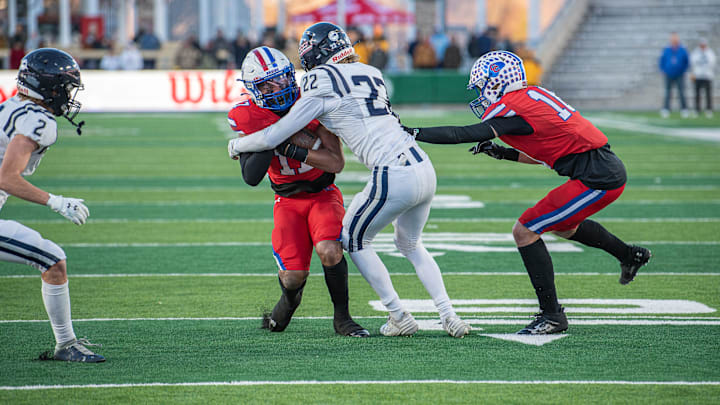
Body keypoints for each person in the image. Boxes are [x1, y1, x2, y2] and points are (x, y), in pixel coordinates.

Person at [228, 22, 471, 338]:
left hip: (391, 171)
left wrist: (236, 145)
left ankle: (398, 314)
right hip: (422, 165)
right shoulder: (371, 72)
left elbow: (277, 134)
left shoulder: (318, 81)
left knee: (353, 240)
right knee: (410, 244)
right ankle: (449, 315)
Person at [402, 51, 652, 335]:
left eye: (483, 85)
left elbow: (465, 133)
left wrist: (412, 132)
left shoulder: (514, 107)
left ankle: (552, 315)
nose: (481, 93)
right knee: (564, 227)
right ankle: (629, 254)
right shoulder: (532, 96)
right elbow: (548, 153)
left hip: (598, 177)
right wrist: (503, 153)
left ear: (497, 82)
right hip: (597, 168)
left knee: (525, 230)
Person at [229, 46, 368, 337]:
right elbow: (251, 177)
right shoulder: (249, 115)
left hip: (322, 193)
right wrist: (272, 132)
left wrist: (284, 143)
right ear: (254, 89)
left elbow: (336, 162)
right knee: (292, 277)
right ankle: (290, 301)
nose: (277, 88)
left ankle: (342, 317)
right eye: (266, 84)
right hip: (287, 200)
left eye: (280, 79)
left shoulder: (312, 100)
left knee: (330, 251)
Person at [0, 48, 103, 362]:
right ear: (49, 86)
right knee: (53, 260)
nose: (68, 94)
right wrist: (56, 202)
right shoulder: (39, 119)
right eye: (65, 86)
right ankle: (66, 344)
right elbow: (6, 178)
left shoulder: (11, 105)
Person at [659, 32, 690, 118]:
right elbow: (661, 60)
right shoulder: (666, 49)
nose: (674, 40)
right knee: (668, 92)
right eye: (672, 39)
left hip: (679, 74)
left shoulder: (682, 49)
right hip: (668, 74)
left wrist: (683, 70)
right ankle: (666, 109)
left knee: (681, 92)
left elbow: (687, 62)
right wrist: (663, 70)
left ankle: (684, 109)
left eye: (675, 38)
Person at [690, 37, 716, 118]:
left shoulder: (710, 52)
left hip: (707, 76)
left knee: (708, 94)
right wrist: (693, 73)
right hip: (698, 76)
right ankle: (697, 109)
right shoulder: (695, 52)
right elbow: (693, 63)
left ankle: (709, 109)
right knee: (697, 94)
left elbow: (712, 62)